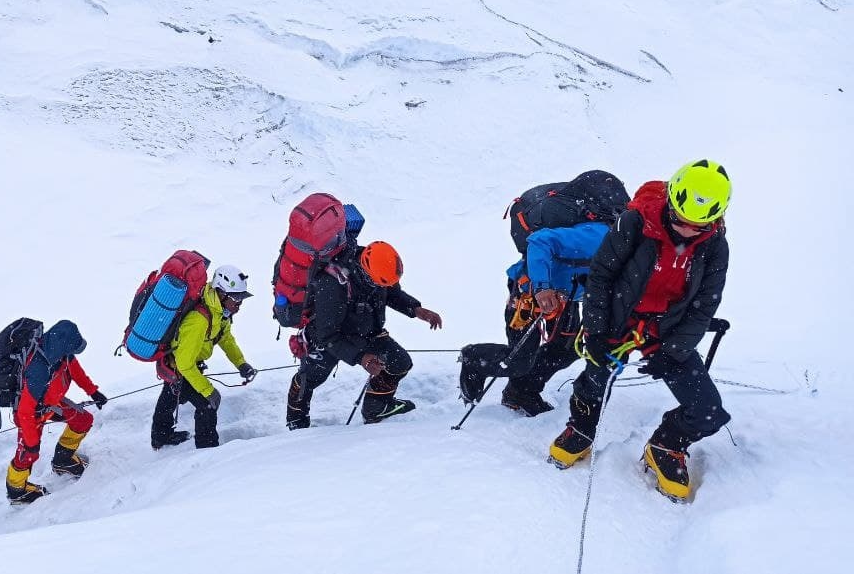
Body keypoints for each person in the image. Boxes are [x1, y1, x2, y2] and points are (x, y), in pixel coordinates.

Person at [548, 160, 732, 501]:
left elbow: (704, 306)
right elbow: (601, 278)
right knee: (594, 380)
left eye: (698, 225)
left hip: (669, 329)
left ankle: (666, 444)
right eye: (680, 220)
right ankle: (582, 427)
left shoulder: (715, 245)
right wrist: (597, 332)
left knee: (707, 411)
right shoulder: (635, 222)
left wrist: (672, 352)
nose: (686, 231)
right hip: (619, 318)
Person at [458, 220, 613, 416]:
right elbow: (540, 241)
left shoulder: (633, 258)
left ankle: (521, 392)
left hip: (565, 295)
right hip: (529, 291)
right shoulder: (600, 237)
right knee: (519, 360)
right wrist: (542, 287)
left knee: (567, 349)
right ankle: (474, 358)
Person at [286, 240, 443, 429]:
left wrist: (416, 309)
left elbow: (391, 293)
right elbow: (327, 335)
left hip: (366, 331)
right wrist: (361, 357)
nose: (384, 285)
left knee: (399, 362)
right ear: (367, 272)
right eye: (380, 282)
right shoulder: (332, 285)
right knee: (309, 378)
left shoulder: (376, 270)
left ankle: (375, 409)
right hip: (327, 338)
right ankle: (296, 421)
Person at [151, 264, 257, 450]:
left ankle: (160, 436)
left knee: (172, 395)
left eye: (241, 300)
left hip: (186, 363)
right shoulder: (199, 319)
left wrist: (241, 363)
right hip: (181, 365)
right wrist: (208, 391)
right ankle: (207, 450)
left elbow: (226, 339)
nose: (238, 305)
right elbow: (184, 364)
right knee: (208, 403)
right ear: (221, 293)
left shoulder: (220, 312)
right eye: (236, 299)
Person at [6, 320, 107, 504]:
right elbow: (24, 412)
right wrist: (31, 443)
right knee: (28, 453)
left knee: (82, 421)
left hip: (50, 404)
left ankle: (63, 460)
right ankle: (16, 491)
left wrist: (93, 391)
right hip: (32, 413)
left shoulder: (62, 354)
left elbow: (76, 372)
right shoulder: (39, 370)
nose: (73, 354)